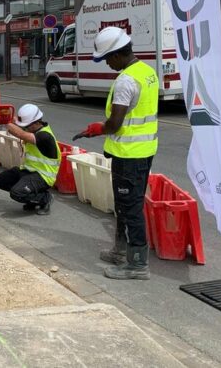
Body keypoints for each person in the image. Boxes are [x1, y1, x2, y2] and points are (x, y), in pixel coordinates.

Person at [73, 26, 158, 280]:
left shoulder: (125, 81)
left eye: (108, 58)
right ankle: (121, 251)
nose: (108, 64)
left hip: (129, 156)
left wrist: (97, 129)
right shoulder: (147, 72)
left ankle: (137, 264)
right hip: (143, 152)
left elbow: (116, 123)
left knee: (130, 209)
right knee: (126, 206)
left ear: (118, 53)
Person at [0, 104, 60, 215]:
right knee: (0, 180)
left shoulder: (44, 136)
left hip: (42, 177)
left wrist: (5, 122)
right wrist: (7, 117)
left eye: (26, 126)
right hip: (28, 171)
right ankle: (31, 197)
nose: (25, 128)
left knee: (16, 193)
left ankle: (44, 198)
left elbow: (21, 134)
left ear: (36, 123)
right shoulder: (35, 129)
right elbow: (19, 126)